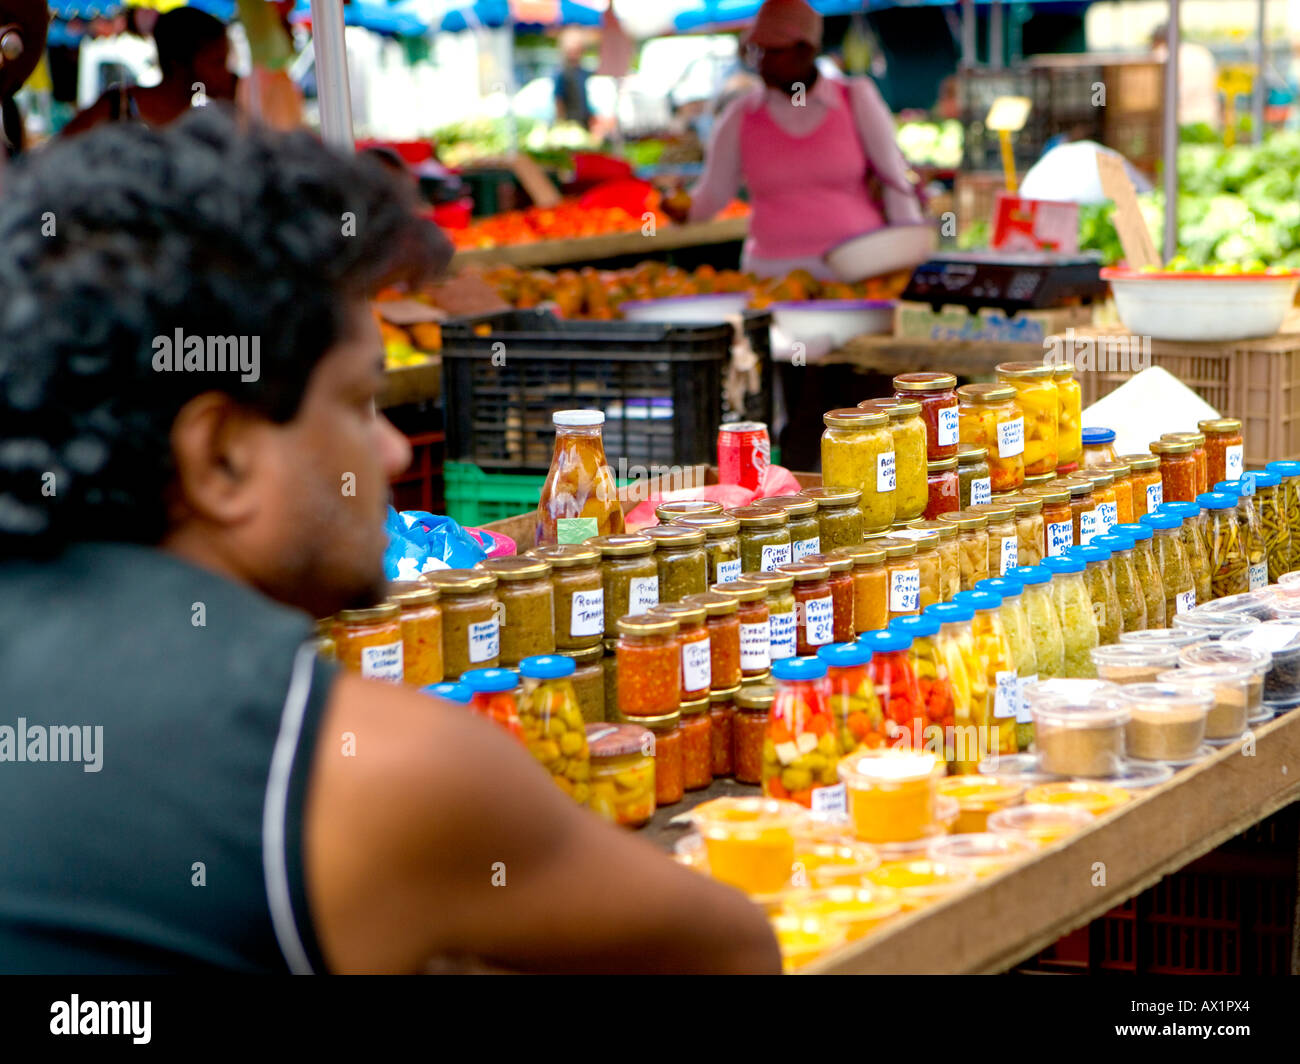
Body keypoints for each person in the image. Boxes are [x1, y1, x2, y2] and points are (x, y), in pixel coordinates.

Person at [0, 109, 781, 976]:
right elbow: (734, 952)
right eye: (355, 402)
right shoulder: (371, 772)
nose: (394, 451)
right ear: (221, 457)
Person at [685, 0, 925, 471]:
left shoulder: (855, 99)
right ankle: (798, 499)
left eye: (773, 52)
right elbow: (709, 198)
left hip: (857, 292)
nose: (763, 63)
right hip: (775, 299)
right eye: (758, 52)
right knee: (796, 412)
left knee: (863, 405)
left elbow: (895, 178)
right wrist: (670, 208)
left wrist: (909, 249)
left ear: (806, 49)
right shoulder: (741, 117)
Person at [62, 8, 238, 134]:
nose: (227, 73)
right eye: (218, 62)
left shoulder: (208, 121)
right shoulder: (118, 108)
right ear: (181, 63)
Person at [553, 27, 594, 130]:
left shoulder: (585, 73)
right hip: (570, 124)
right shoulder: (562, 74)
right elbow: (558, 101)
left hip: (585, 122)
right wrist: (561, 124)